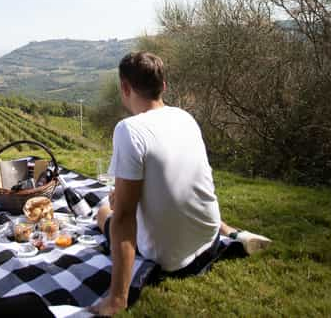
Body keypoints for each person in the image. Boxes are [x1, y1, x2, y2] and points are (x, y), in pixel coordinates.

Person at [91, 52, 271, 316]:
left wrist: (117, 298)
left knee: (105, 211)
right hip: (208, 238)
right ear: (163, 86)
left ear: (125, 88)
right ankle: (233, 233)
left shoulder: (129, 130)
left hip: (171, 259)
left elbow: (125, 217)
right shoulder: (184, 117)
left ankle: (119, 294)